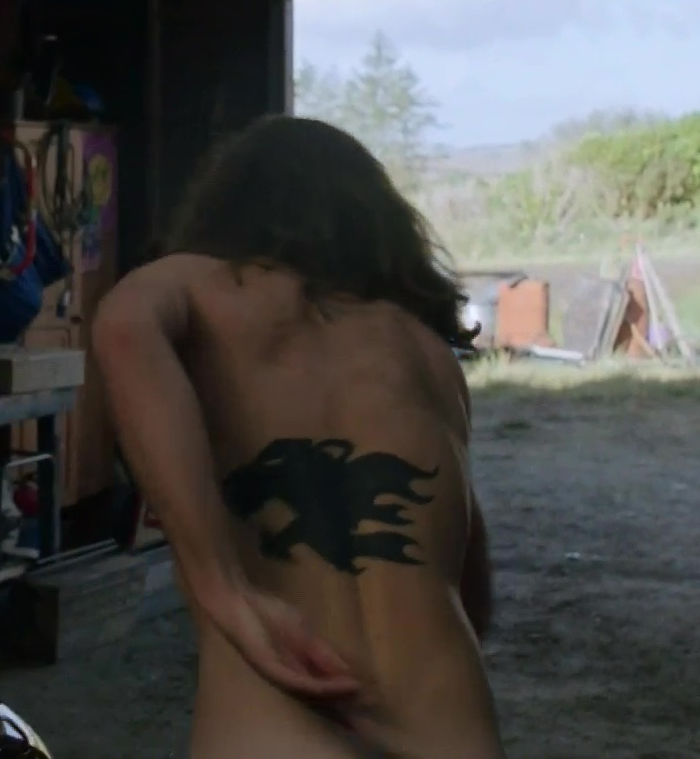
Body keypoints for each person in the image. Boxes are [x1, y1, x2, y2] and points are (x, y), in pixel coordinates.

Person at [90, 115, 502, 759]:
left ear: (226, 210)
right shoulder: (427, 353)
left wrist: (221, 586)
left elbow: (120, 325)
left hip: (281, 729)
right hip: (449, 728)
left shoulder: (205, 287)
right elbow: (473, 587)